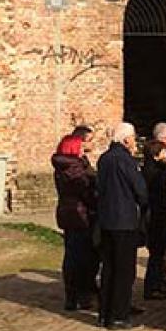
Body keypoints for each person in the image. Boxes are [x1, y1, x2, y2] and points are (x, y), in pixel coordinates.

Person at [96, 122, 148, 330]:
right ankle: (119, 314)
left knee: (108, 268)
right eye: (133, 138)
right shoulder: (125, 160)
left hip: (106, 219)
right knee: (124, 269)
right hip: (124, 221)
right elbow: (140, 189)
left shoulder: (104, 159)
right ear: (126, 140)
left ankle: (105, 313)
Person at [52, 133, 99, 311]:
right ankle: (79, 295)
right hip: (79, 215)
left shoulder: (70, 166)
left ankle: (78, 294)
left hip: (71, 213)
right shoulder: (72, 168)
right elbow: (86, 189)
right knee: (80, 257)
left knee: (75, 255)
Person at [141, 138, 166, 301]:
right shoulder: (156, 173)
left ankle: (158, 284)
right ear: (155, 155)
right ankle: (152, 287)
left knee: (158, 255)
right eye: (163, 152)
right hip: (156, 217)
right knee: (156, 255)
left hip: (155, 216)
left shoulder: (153, 169)